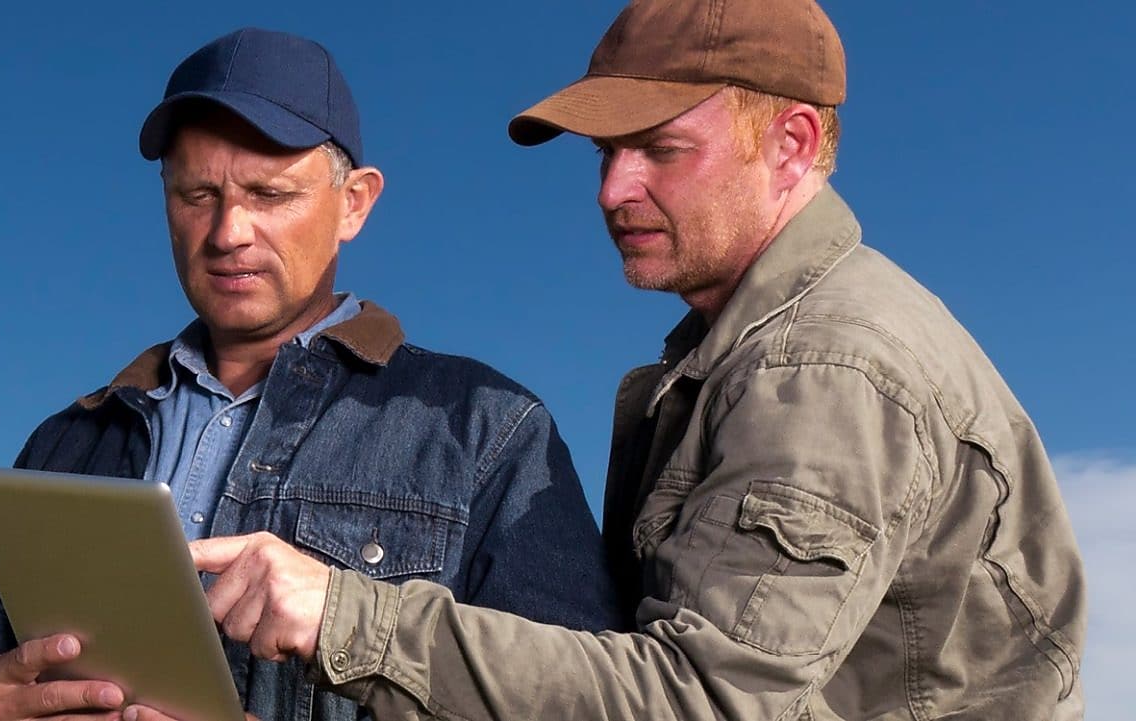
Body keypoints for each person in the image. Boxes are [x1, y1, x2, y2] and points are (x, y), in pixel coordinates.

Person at [168, 2, 1089, 720]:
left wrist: (343, 616)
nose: (614, 189)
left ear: (793, 144)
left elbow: (700, 700)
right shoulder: (741, 353)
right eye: (608, 151)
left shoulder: (827, 365)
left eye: (660, 148)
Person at [0, 27, 623, 721]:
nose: (227, 232)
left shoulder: (487, 429)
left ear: (355, 203)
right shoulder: (70, 441)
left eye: (270, 195)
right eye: (196, 195)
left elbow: (583, 704)